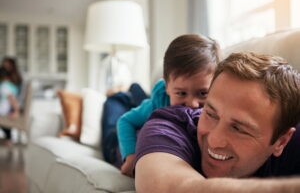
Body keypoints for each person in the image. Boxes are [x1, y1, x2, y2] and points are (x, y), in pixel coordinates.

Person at [135, 52, 300, 192]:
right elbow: (176, 188)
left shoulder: (288, 131)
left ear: (281, 141)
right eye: (211, 114)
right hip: (121, 140)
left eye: (238, 128)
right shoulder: (168, 124)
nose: (213, 140)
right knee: (120, 106)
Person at [117, 34, 221, 176]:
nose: (192, 104)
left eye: (203, 93)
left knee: (136, 92)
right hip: (137, 114)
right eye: (181, 93)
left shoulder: (218, 106)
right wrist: (130, 156)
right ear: (167, 86)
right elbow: (125, 121)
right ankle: (120, 93)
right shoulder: (158, 103)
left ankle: (132, 90)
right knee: (117, 101)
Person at [0, 66, 20, 144]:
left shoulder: (4, 86)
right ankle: (8, 137)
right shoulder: (11, 85)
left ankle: (8, 137)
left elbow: (12, 98)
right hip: (6, 108)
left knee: (3, 123)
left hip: (3, 109)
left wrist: (16, 110)